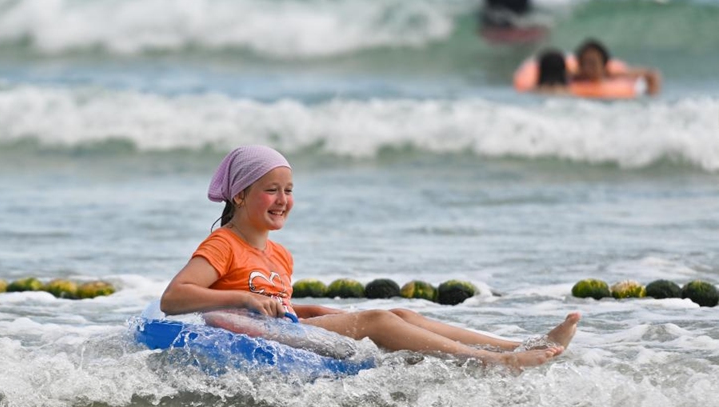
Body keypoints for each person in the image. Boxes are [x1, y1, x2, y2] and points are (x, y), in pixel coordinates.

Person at [160, 146, 581, 370]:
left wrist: (308, 309)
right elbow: (175, 297)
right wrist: (244, 301)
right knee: (379, 322)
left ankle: (522, 344)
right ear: (240, 194)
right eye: (271, 189)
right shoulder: (224, 244)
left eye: (289, 190)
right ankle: (498, 363)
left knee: (398, 312)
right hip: (243, 336)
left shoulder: (278, 254)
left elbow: (275, 304)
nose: (283, 200)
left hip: (280, 332)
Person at [573, 39, 661, 95]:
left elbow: (651, 74)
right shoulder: (574, 78)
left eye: (593, 63)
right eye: (585, 63)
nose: (588, 68)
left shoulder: (612, 75)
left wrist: (650, 97)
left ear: (603, 65)